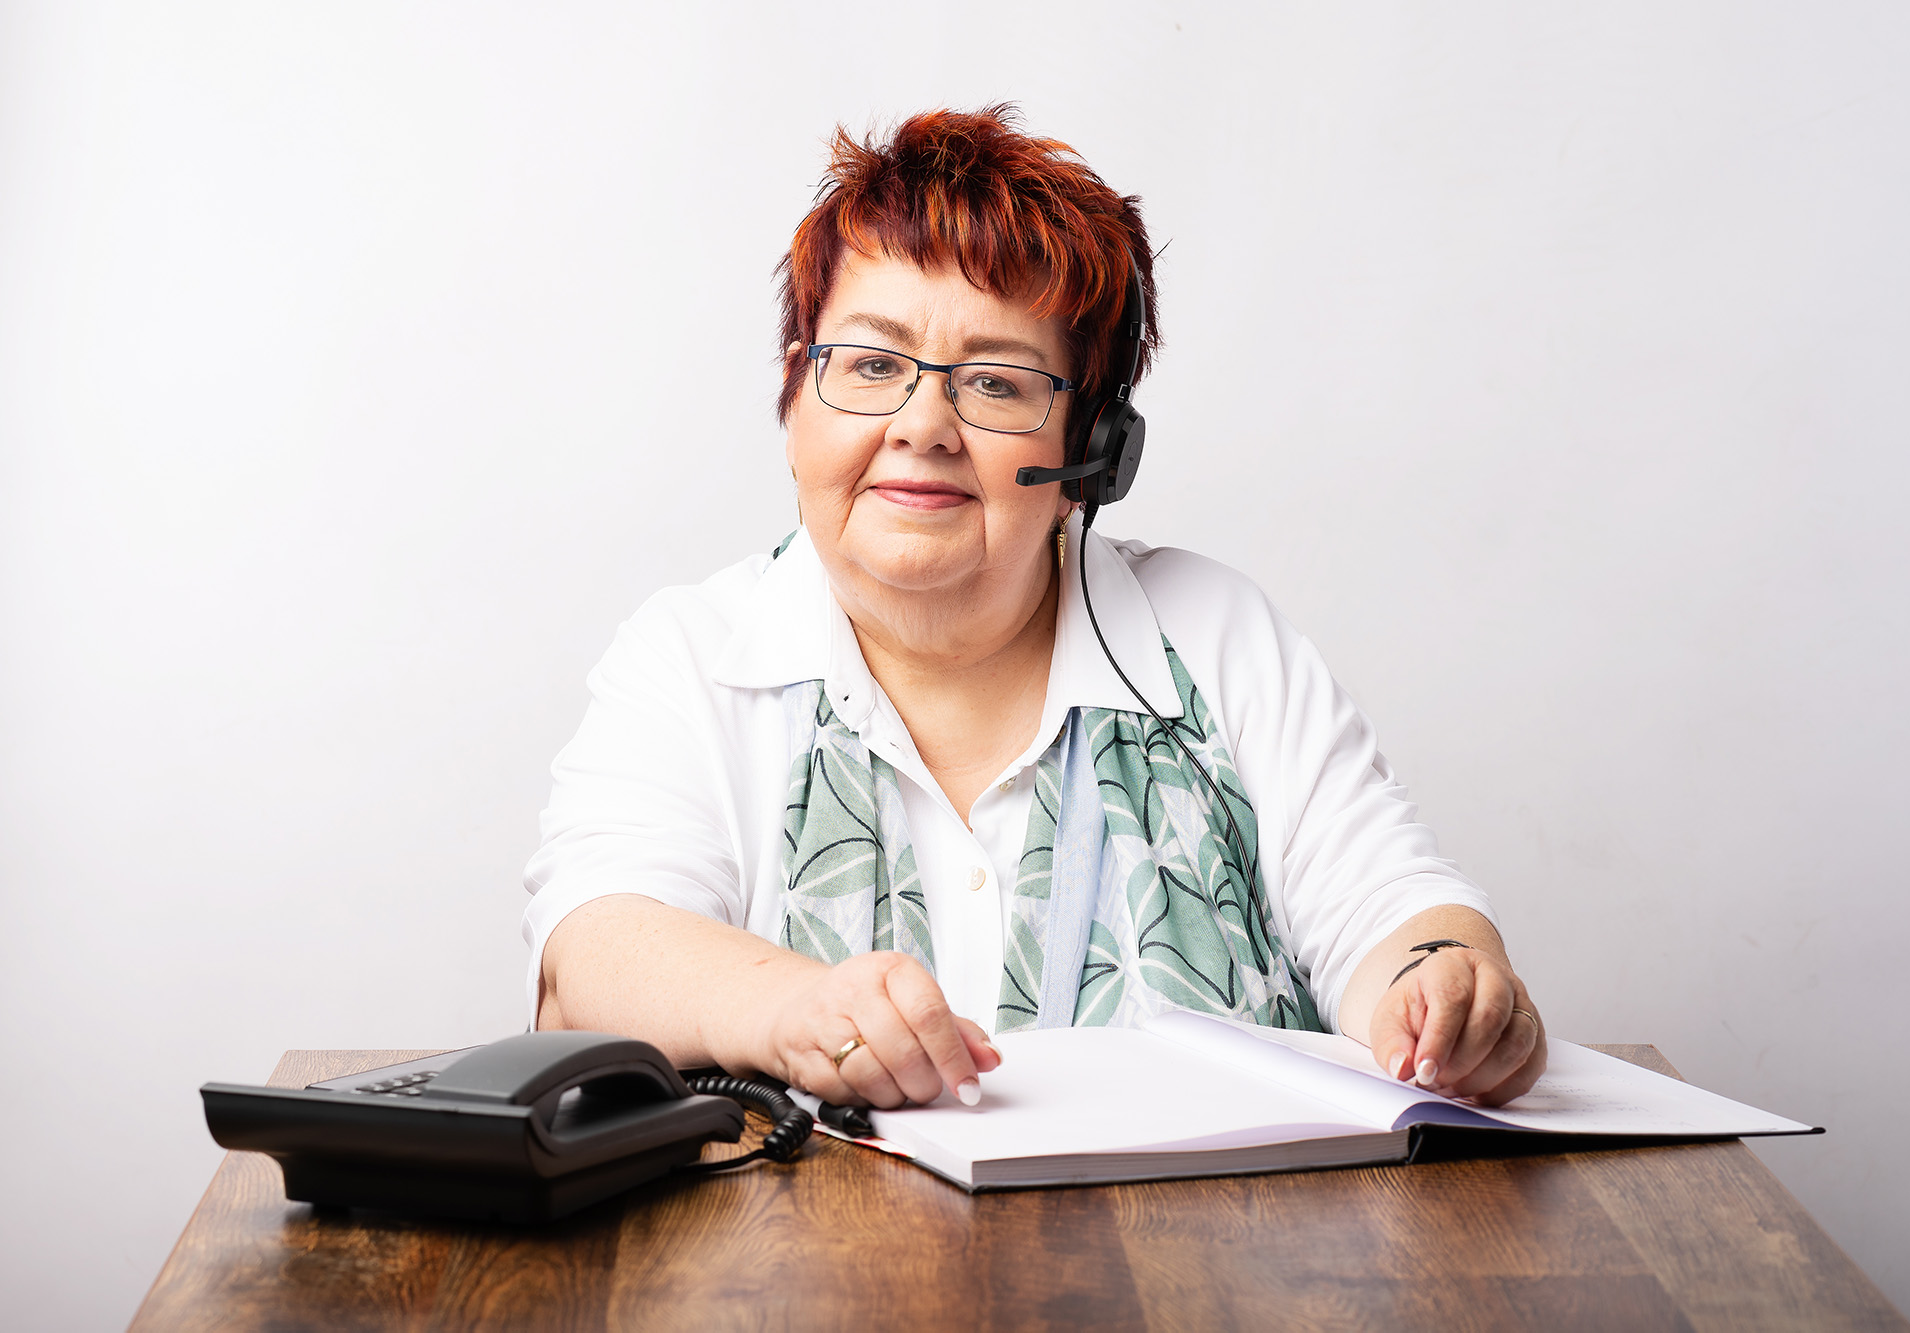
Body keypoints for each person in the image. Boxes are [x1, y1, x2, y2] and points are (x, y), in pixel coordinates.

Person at [525, 106, 1547, 1112]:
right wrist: (797, 1006)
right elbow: (596, 952)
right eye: (872, 365)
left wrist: (1444, 985)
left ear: (1091, 455)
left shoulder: (1214, 636)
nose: (921, 425)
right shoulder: (691, 656)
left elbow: (1391, 910)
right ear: (795, 404)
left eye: (995, 383)